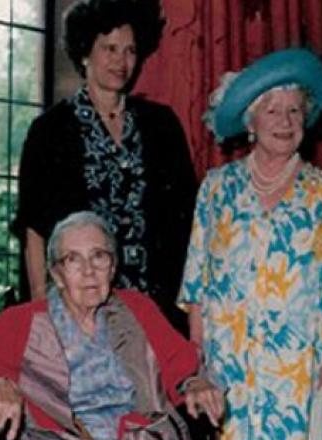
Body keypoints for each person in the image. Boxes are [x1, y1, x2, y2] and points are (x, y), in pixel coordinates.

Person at [178, 48, 322, 440]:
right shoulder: (216, 190)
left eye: (295, 110)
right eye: (272, 109)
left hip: (301, 373)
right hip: (228, 374)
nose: (285, 121)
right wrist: (195, 363)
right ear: (250, 120)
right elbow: (197, 283)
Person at [0, 211, 222, 440]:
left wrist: (196, 384)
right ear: (56, 274)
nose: (89, 271)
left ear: (113, 266)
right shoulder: (17, 324)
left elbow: (183, 369)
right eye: (73, 259)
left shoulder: (138, 309)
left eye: (99, 256)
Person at [14, 0, 196, 330]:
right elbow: (34, 228)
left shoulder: (162, 125)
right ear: (85, 53)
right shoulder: (51, 130)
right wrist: (41, 307)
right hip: (78, 306)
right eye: (109, 48)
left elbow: (187, 220)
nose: (120, 61)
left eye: (129, 50)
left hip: (154, 305)